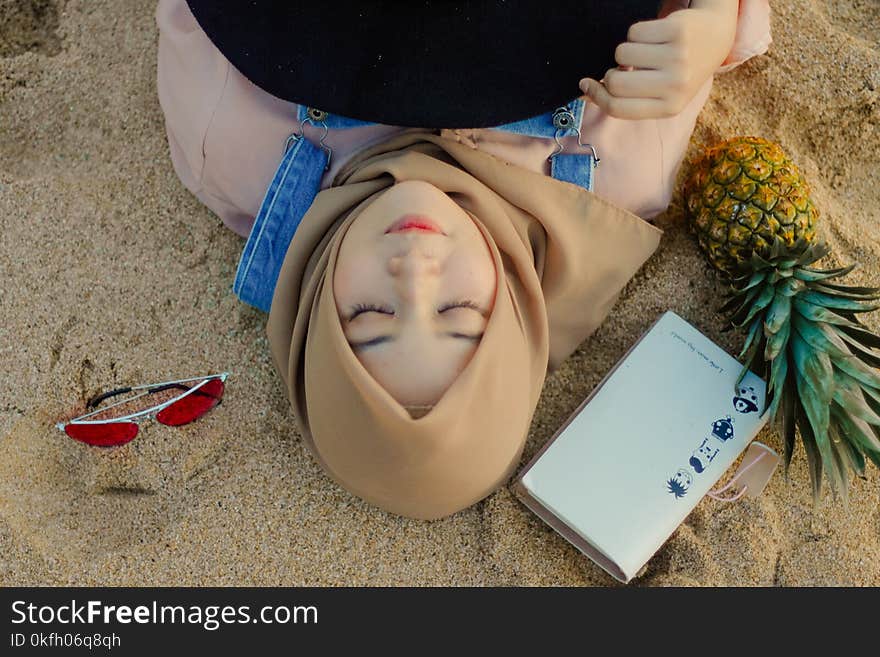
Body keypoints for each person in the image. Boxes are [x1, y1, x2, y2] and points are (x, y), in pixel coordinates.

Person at [155, 0, 772, 519]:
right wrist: (714, 24)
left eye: (369, 314)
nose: (415, 269)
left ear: (312, 317)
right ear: (515, 310)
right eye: (458, 310)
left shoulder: (229, 151)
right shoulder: (624, 167)